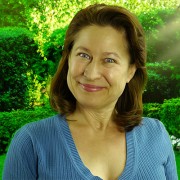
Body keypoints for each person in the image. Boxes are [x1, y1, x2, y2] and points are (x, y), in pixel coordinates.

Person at [3, 3, 178, 180]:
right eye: (83, 55)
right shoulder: (31, 142)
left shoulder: (156, 135)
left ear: (131, 71)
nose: (92, 73)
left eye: (109, 60)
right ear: (68, 59)